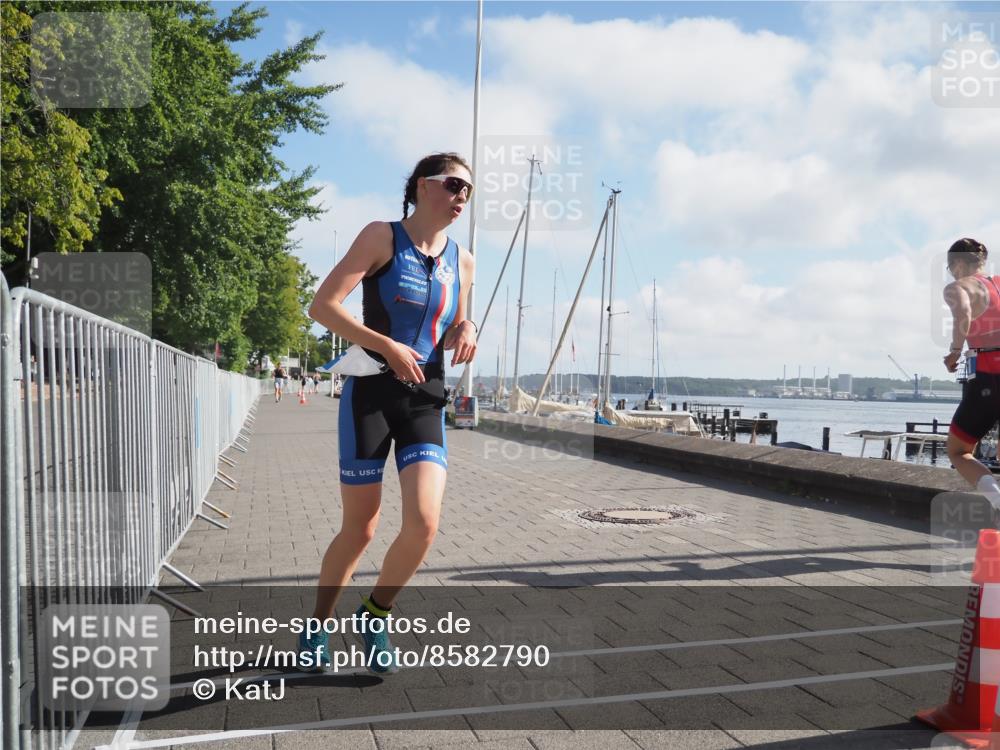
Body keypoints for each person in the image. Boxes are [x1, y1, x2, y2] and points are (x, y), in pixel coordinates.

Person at [304, 152, 477, 673]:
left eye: (468, 190)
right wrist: (386, 346)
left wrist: (466, 330)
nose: (461, 197)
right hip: (372, 394)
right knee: (361, 528)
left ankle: (375, 613)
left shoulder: (463, 260)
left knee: (424, 521)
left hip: (425, 397)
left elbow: (456, 322)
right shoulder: (381, 236)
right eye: (453, 186)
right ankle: (317, 625)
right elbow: (323, 306)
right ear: (424, 187)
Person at [943, 238, 1000, 509]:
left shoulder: (958, 287)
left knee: (958, 450)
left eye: (950, 267)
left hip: (989, 373)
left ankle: (997, 501)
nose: (951, 272)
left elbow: (963, 311)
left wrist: (955, 350)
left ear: (958, 263)